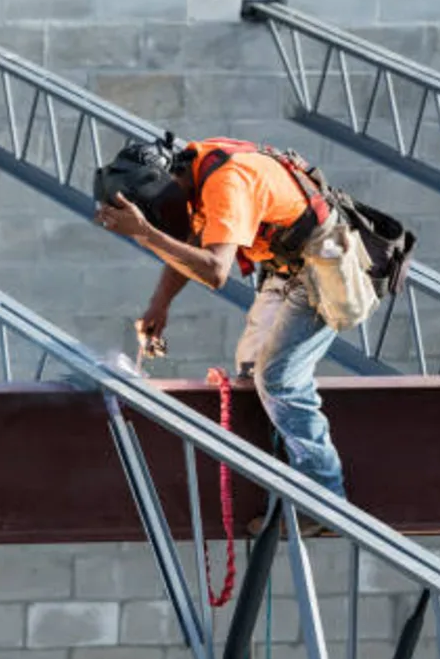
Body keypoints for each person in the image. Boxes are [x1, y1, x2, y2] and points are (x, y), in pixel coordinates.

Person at [93, 134, 378, 537]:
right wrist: (160, 305)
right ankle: (280, 482)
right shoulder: (193, 170)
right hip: (285, 267)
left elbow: (214, 269)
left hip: (321, 265)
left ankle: (325, 502)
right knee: (250, 373)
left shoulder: (226, 182)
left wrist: (146, 234)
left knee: (280, 378)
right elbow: (192, 243)